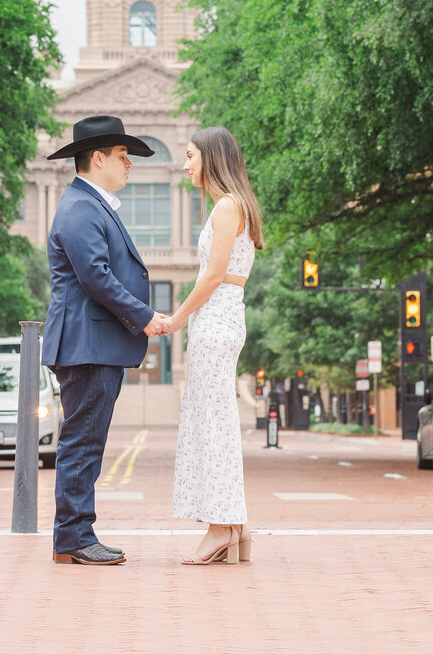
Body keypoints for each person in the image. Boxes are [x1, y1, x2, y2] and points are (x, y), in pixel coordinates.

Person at [41, 115, 171, 566]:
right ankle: (73, 537)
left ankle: (76, 533)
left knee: (86, 442)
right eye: (122, 156)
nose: (129, 164)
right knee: (82, 442)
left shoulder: (89, 205)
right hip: (87, 344)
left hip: (92, 343)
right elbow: (96, 276)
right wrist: (145, 317)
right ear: (97, 158)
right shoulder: (80, 208)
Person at [166, 126, 263, 565]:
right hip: (223, 317)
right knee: (215, 420)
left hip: (216, 319)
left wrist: (174, 319)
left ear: (211, 157)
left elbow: (211, 275)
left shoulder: (226, 207)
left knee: (214, 425)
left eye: (190, 156)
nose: (185, 165)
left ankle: (221, 527)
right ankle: (234, 527)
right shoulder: (235, 206)